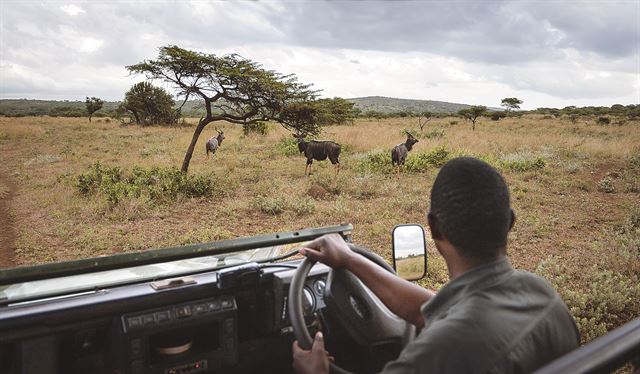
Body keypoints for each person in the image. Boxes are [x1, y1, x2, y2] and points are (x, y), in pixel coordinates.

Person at [292, 157, 579, 374]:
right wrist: (351, 259)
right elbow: (438, 309)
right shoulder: (544, 297)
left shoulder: (432, 356)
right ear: (510, 223)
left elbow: (453, 326)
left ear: (434, 227)